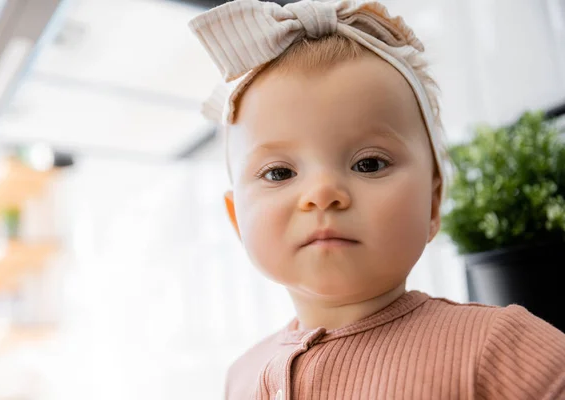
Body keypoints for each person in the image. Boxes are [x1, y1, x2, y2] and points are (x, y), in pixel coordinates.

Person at [189, 0, 565, 398]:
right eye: (279, 173)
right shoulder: (241, 377)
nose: (322, 194)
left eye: (369, 164)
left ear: (434, 202)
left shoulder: (504, 349)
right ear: (236, 220)